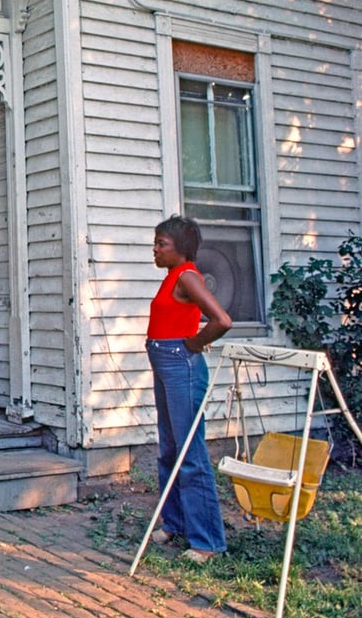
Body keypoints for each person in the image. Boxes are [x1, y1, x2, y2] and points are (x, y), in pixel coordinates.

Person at [147, 215, 232, 564]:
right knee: (169, 448)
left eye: (161, 244)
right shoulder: (171, 278)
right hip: (164, 362)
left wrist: (195, 343)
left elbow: (221, 320)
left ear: (180, 249)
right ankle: (175, 523)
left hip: (181, 366)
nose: (154, 249)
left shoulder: (188, 276)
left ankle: (207, 542)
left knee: (189, 454)